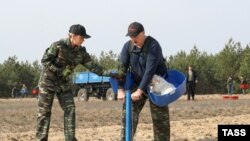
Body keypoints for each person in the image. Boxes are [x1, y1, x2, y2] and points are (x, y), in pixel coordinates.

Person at [36, 24, 109, 141]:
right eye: (82, 37)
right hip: (48, 81)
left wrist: (112, 74)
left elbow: (94, 67)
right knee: (44, 113)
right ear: (72, 36)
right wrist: (60, 71)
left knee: (70, 109)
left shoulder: (81, 52)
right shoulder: (58, 45)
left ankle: (70, 139)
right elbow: (45, 61)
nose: (84, 40)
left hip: (63, 83)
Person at [117, 22, 170, 141]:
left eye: (135, 36)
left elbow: (149, 71)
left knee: (160, 121)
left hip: (156, 84)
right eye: (131, 36)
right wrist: (120, 89)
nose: (133, 39)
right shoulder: (128, 47)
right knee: (128, 114)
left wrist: (140, 90)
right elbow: (122, 68)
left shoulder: (153, 46)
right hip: (137, 83)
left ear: (143, 33)